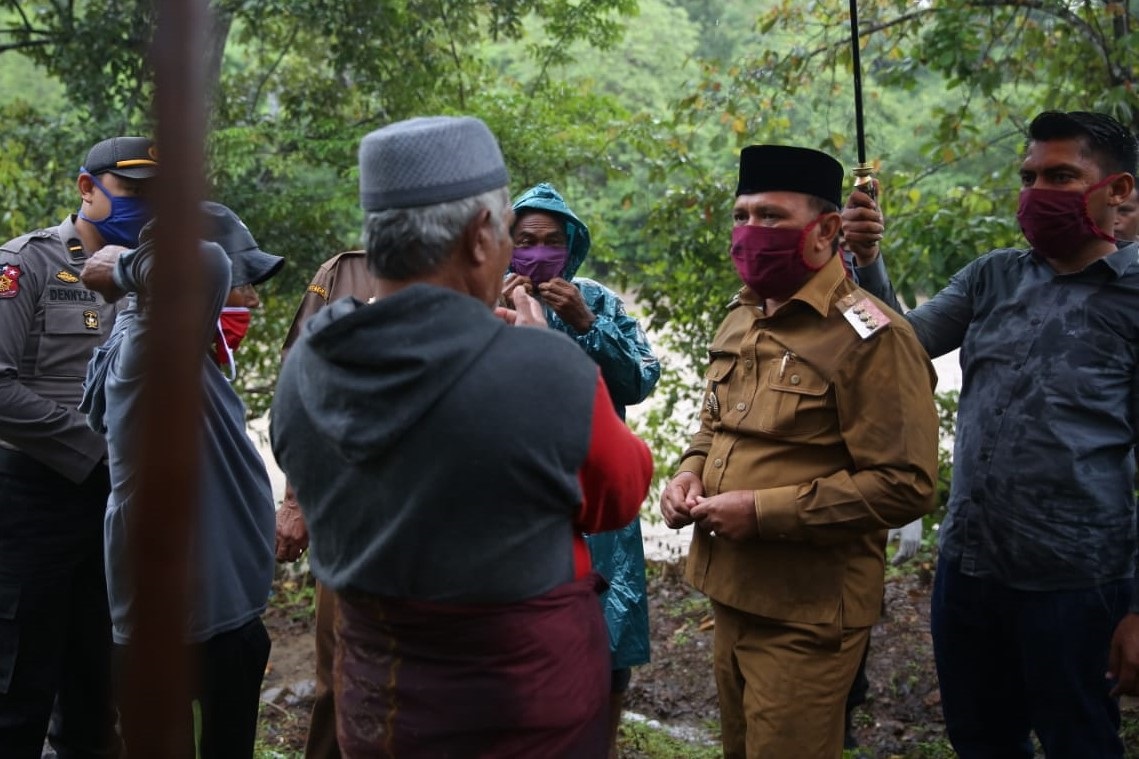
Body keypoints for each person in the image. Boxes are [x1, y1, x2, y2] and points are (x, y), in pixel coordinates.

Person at [271, 115, 654, 756]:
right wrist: (546, 356)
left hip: (379, 700)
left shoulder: (311, 363)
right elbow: (620, 492)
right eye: (509, 233)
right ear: (481, 237)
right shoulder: (545, 370)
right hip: (520, 712)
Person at [842, 110, 1139, 757]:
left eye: (1060, 176)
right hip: (968, 569)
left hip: (1078, 583)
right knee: (979, 740)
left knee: (1080, 741)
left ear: (1117, 189)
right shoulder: (992, 275)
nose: (1036, 192)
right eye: (1028, 177)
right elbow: (899, 346)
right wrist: (863, 260)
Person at [658, 144, 940, 758]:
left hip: (807, 613)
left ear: (827, 230)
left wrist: (762, 511)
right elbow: (715, 427)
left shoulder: (874, 337)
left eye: (771, 217)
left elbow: (907, 483)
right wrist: (688, 473)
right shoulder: (741, 316)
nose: (750, 231)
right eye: (741, 215)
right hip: (731, 594)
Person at [78, 202, 283, 757]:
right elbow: (208, 262)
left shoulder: (182, 358)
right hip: (185, 636)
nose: (252, 300)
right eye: (244, 284)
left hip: (220, 621)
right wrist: (126, 268)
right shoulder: (149, 354)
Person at [0, 135, 157, 757]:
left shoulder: (151, 274)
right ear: (86, 188)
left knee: (98, 687)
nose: (145, 206)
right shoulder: (27, 264)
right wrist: (97, 450)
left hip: (118, 504)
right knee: (20, 683)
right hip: (34, 498)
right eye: (132, 191)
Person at [504, 182, 660, 756]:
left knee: (608, 637)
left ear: (571, 247)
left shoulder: (596, 299)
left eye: (552, 241)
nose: (538, 252)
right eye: (526, 240)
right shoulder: (482, 299)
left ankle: (602, 744)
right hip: (518, 494)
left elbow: (640, 380)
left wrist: (587, 322)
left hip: (597, 488)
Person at [274, 249, 376, 759]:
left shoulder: (489, 267)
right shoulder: (343, 272)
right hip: (350, 518)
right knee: (341, 677)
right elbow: (299, 385)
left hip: (449, 529)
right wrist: (295, 500)